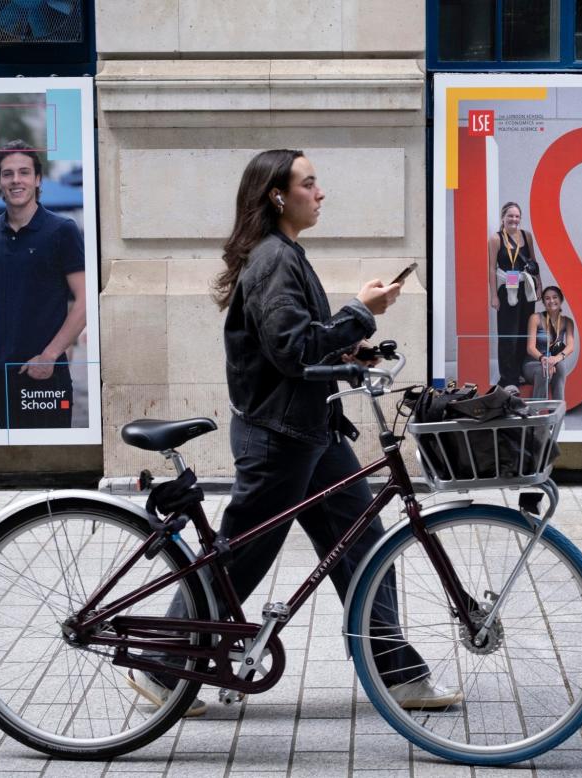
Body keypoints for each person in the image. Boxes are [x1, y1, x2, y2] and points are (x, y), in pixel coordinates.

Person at [127, 149, 459, 717]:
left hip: (313, 431)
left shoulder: (285, 254)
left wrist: (352, 348)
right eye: (310, 183)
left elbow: (302, 340)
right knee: (241, 558)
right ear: (279, 196)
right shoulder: (273, 259)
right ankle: (162, 668)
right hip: (279, 437)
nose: (320, 192)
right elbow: (292, 349)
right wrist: (361, 309)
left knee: (363, 543)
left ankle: (395, 672)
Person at [0, 140, 86, 429]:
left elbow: (84, 301)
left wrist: (49, 356)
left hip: (47, 372)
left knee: (50, 458)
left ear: (37, 179)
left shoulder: (62, 230)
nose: (16, 180)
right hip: (1, 371)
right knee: (13, 455)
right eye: (7, 174)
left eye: (24, 172)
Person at [488, 202, 540, 387]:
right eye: (510, 216)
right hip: (506, 289)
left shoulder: (527, 236)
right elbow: (492, 268)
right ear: (503, 218)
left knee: (524, 332)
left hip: (525, 288)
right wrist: (493, 295)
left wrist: (539, 285)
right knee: (508, 334)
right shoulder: (495, 239)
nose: (514, 219)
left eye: (517, 216)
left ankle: (520, 372)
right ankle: (508, 378)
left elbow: (534, 262)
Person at [521, 285, 576, 401]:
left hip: (553, 360)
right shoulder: (535, 318)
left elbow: (570, 346)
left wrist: (556, 359)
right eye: (547, 298)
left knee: (560, 367)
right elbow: (530, 348)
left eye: (555, 297)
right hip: (534, 362)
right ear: (544, 302)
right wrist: (543, 359)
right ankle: (536, 413)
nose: (551, 301)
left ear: (561, 300)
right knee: (543, 371)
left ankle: (557, 412)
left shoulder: (568, 322)